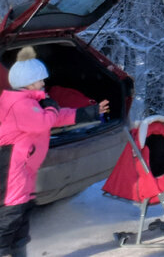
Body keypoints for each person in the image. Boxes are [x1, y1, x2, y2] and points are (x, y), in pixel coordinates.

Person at [0, 48, 108, 257]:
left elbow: (56, 118)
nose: (43, 84)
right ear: (29, 83)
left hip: (22, 169)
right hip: (13, 168)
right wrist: (51, 106)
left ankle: (18, 251)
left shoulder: (29, 102)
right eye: (40, 81)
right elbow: (44, 121)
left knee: (21, 213)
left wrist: (90, 112)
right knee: (11, 215)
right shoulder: (20, 104)